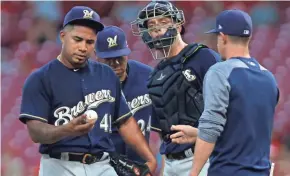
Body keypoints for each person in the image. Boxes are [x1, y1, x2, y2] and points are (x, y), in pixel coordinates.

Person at [19, 6, 156, 176]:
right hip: (60, 165)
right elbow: (35, 132)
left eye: (89, 42)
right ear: (63, 36)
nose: (83, 47)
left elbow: (125, 122)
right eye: (77, 39)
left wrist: (149, 158)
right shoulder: (40, 79)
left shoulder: (107, 74)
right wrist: (67, 129)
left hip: (102, 165)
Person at [169, 9, 280, 176]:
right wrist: (197, 135)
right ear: (248, 38)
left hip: (228, 171)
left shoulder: (220, 72)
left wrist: (194, 173)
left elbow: (211, 127)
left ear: (223, 37)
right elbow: (245, 130)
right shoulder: (269, 77)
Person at [130, 1, 221, 176]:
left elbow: (227, 107)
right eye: (151, 24)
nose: (156, 28)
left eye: (163, 22)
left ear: (178, 26)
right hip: (172, 163)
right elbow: (166, 134)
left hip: (204, 157)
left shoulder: (202, 57)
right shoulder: (155, 76)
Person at [95, 25, 153, 163]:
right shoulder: (88, 84)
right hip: (103, 166)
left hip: (141, 164)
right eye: (109, 59)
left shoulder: (148, 76)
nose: (116, 64)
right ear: (97, 57)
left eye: (120, 57)